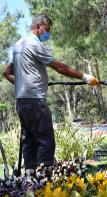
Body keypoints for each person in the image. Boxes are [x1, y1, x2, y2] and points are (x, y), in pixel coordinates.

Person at [2, 14, 99, 170]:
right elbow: (59, 67)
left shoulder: (19, 44)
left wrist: (22, 83)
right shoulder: (34, 44)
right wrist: (85, 77)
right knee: (45, 142)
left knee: (29, 143)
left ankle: (30, 182)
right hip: (35, 101)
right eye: (46, 29)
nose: (48, 33)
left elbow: (6, 72)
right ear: (38, 26)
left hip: (22, 102)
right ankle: (44, 182)